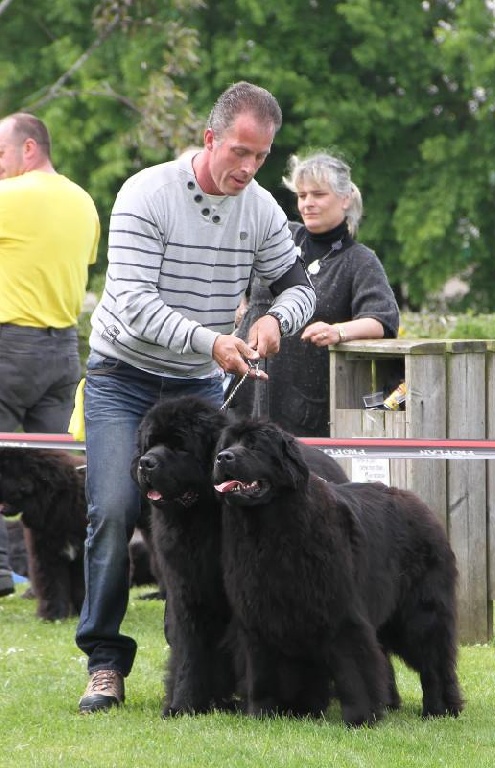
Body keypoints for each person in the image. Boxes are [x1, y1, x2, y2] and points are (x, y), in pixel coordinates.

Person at [75, 81, 316, 713]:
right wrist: (211, 340)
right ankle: (104, 662)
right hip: (123, 379)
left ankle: (217, 665)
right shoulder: (144, 194)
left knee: (226, 518)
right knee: (117, 510)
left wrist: (276, 320)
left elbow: (298, 284)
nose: (247, 168)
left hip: (200, 386)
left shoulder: (261, 208)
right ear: (209, 139)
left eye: (260, 157)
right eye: (239, 151)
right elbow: (130, 303)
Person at [0, 112, 99, 598]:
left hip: (7, 344)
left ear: (29, 149)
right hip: (63, 348)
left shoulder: (7, 197)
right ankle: (72, 579)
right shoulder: (84, 202)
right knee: (57, 476)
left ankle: (0, 571)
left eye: (0, 154)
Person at [234, 151, 400, 436]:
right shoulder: (282, 238)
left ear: (345, 198)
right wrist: (241, 303)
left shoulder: (359, 260)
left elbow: (383, 320)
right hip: (246, 395)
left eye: (318, 194)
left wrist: (339, 331)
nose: (308, 203)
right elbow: (233, 256)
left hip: (307, 410)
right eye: (302, 195)